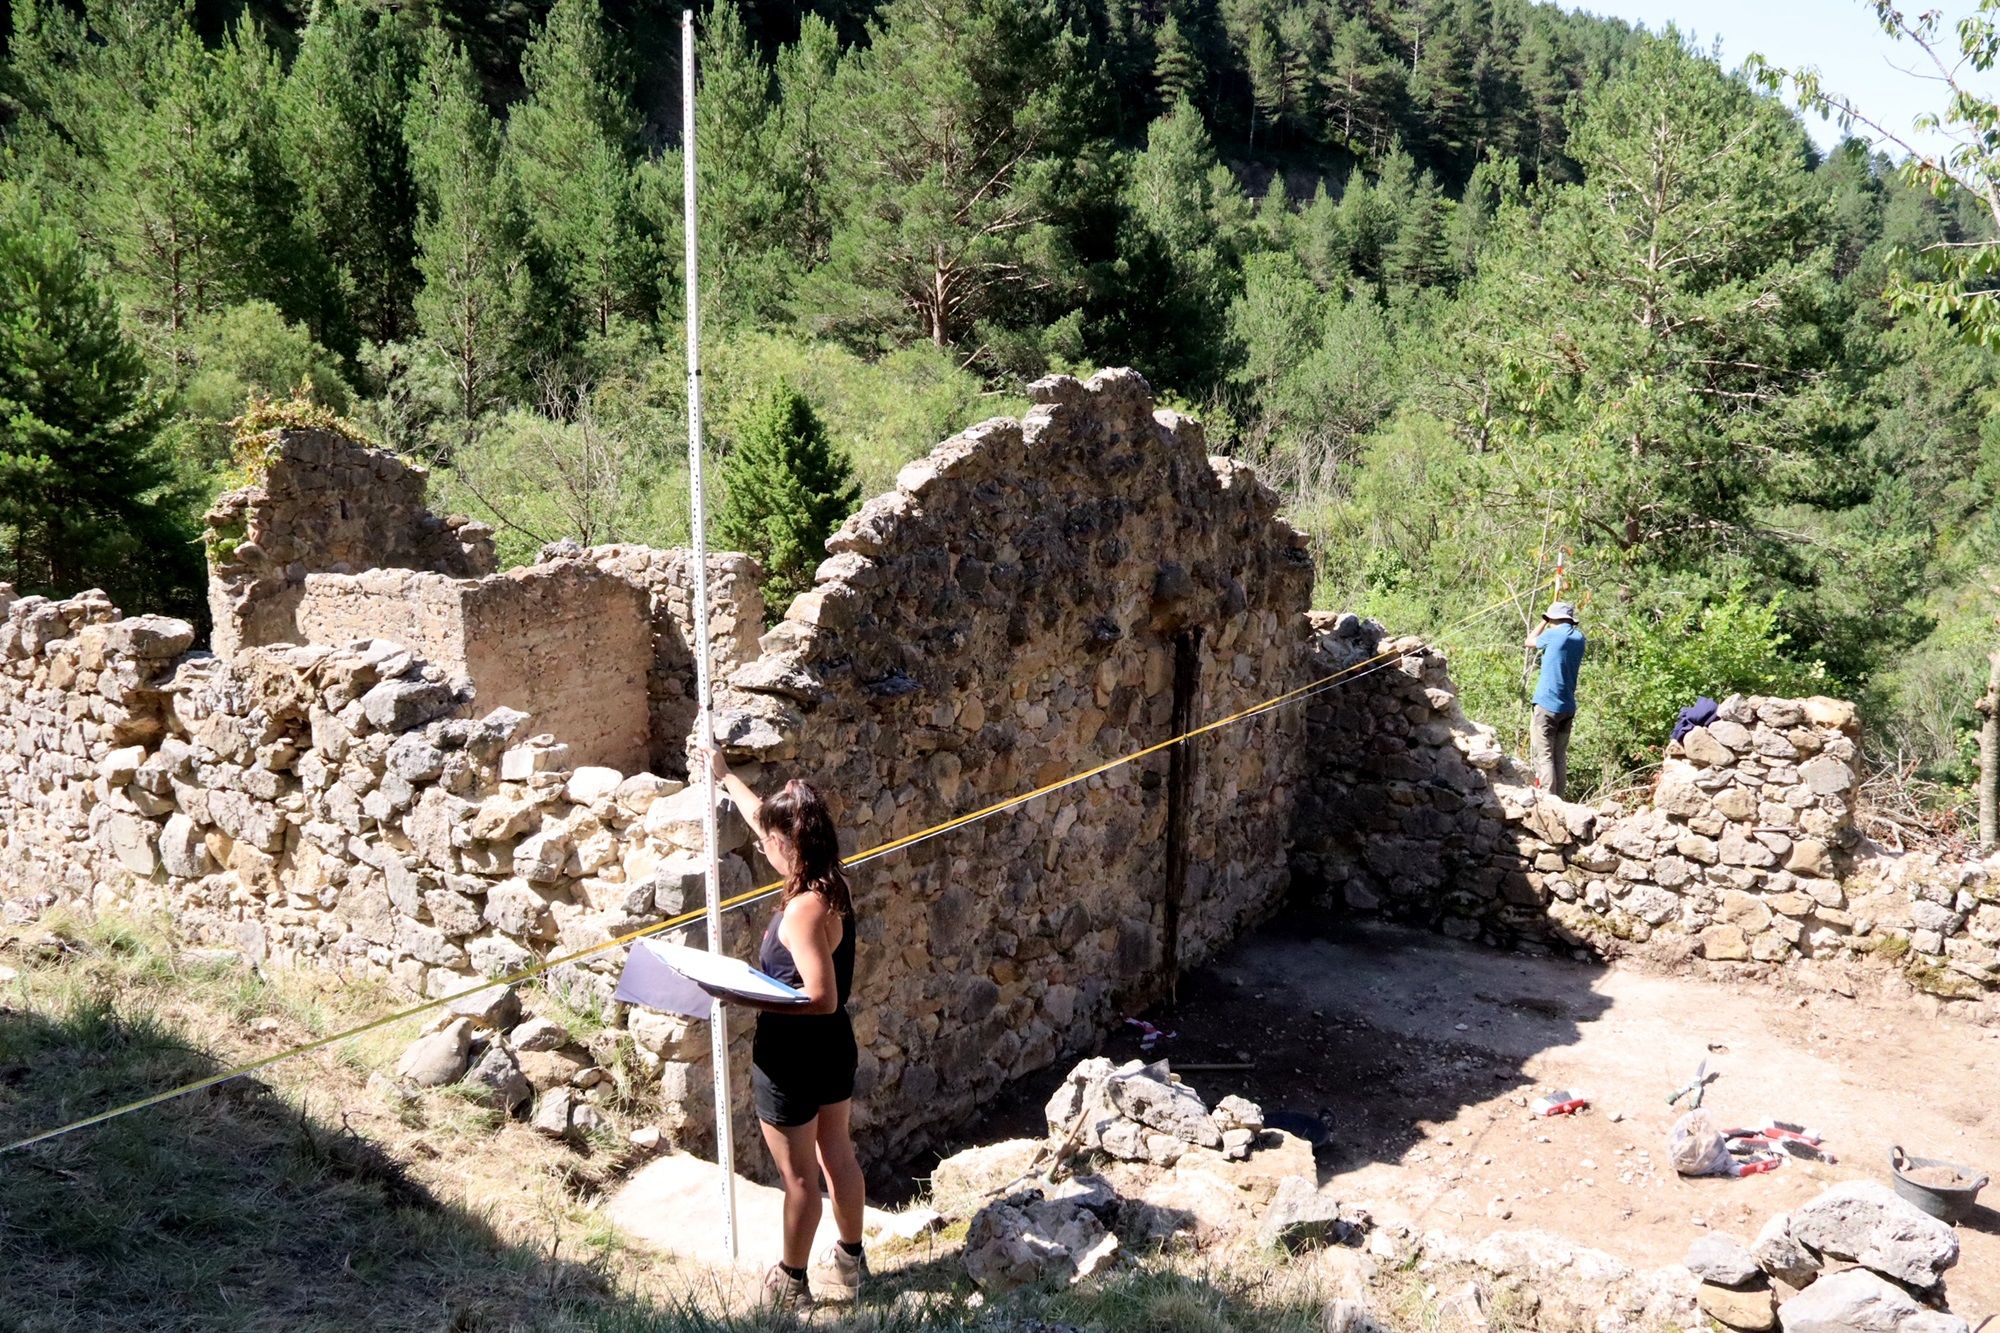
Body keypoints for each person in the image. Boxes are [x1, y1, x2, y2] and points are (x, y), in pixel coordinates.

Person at [699, 744, 866, 1309]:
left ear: (787, 844)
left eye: (769, 839)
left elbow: (820, 998)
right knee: (836, 1150)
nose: (762, 844)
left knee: (799, 1180)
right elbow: (761, 818)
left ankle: (791, 1283)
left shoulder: (802, 911)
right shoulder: (832, 882)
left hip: (794, 1058)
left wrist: (744, 997)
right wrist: (725, 777)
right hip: (833, 1049)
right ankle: (849, 1259)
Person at [1525, 600, 1586, 799]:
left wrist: (1543, 621)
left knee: (1544, 756)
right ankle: (1559, 800)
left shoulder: (1552, 634)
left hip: (1547, 704)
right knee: (1559, 757)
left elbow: (1529, 641)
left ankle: (1548, 800)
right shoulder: (1579, 637)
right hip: (1567, 706)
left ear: (1553, 619)